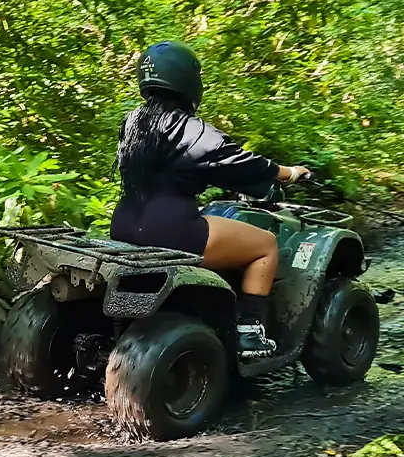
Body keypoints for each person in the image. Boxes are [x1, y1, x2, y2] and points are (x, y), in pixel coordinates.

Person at [110, 40, 310, 358]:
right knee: (266, 245)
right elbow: (238, 163)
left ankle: (121, 328)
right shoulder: (191, 129)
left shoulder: (133, 122)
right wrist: (288, 172)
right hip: (174, 231)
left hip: (124, 224)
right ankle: (249, 333)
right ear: (188, 81)